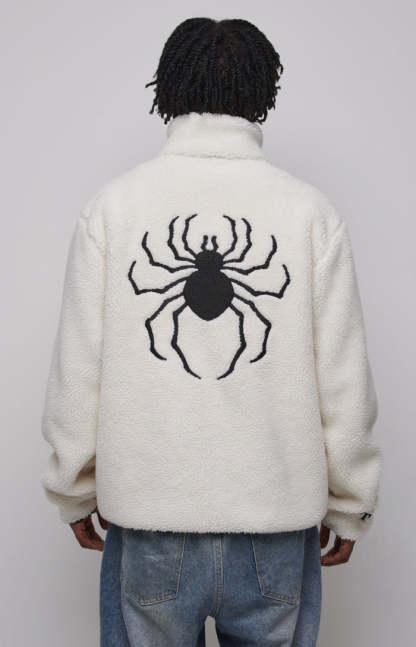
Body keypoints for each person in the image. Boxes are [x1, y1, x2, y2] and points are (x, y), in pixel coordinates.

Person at [41, 17, 381, 647]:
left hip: (150, 524)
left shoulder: (115, 206)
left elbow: (78, 368)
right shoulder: (308, 212)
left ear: (167, 87)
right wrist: (351, 502)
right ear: (263, 93)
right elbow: (343, 375)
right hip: (276, 527)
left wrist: (73, 488)